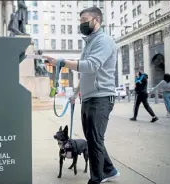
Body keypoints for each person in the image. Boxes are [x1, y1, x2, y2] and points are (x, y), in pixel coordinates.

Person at [44, 7, 120, 184]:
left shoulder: (104, 41)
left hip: (101, 97)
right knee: (93, 139)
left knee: (95, 140)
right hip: (88, 98)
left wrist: (61, 62)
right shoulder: (89, 44)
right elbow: (86, 72)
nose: (81, 23)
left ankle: (96, 178)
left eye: (84, 19)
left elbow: (91, 66)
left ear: (96, 20)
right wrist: (76, 92)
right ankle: (110, 170)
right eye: (80, 20)